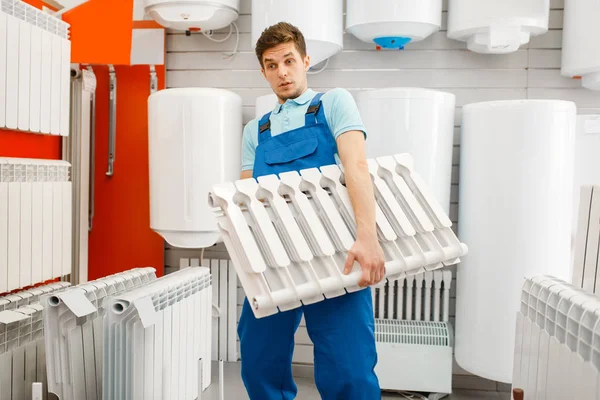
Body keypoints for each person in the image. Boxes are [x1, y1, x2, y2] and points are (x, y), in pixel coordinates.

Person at [238, 21, 385, 400]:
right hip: (275, 259)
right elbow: (248, 199)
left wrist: (367, 237)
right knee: (258, 361)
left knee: (348, 367)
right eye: (271, 65)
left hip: (336, 254)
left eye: (289, 61)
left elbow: (357, 168)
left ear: (305, 60)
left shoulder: (334, 103)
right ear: (263, 71)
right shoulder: (257, 130)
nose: (282, 72)